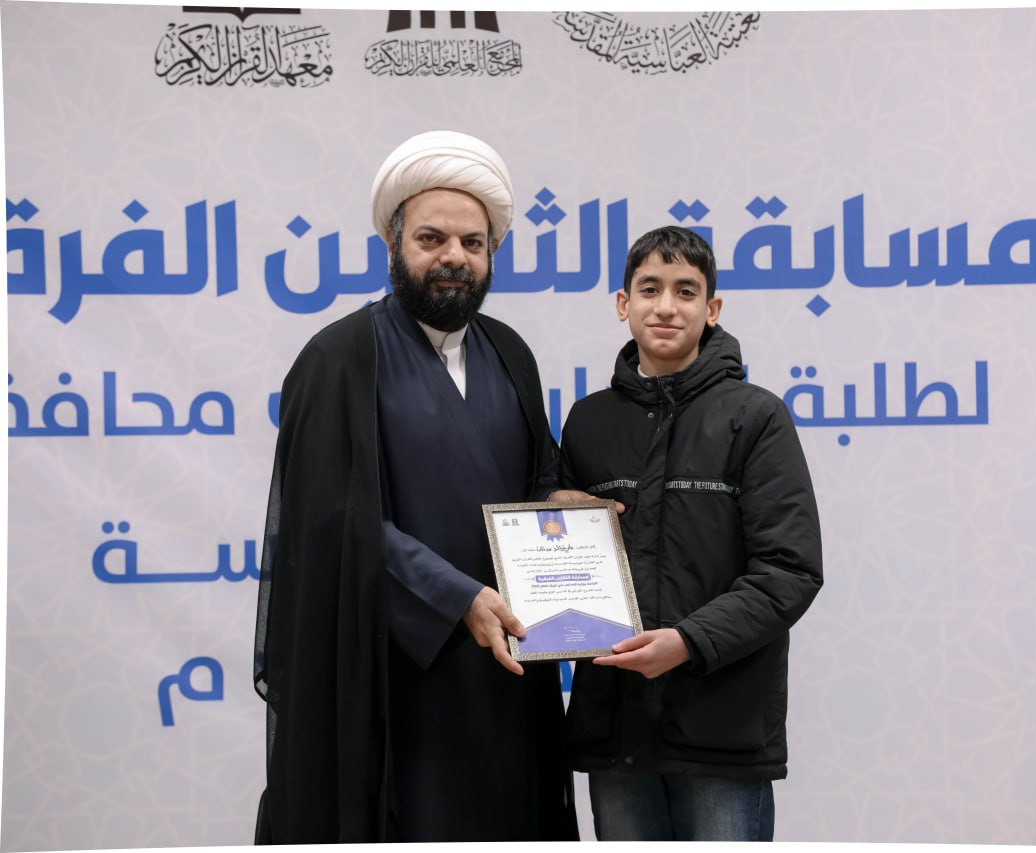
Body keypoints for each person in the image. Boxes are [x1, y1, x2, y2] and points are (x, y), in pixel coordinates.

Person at [252, 130, 579, 843]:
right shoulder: (339, 358)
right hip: (388, 679)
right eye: (432, 238)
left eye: (473, 242)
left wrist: (568, 514)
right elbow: (329, 520)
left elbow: (537, 479)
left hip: (505, 673)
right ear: (393, 243)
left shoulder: (511, 353)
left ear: (493, 251)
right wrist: (454, 596)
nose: (453, 257)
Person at [557, 226, 824, 841]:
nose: (666, 306)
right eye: (649, 288)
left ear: (713, 308)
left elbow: (790, 571)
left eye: (686, 291)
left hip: (720, 730)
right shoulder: (588, 421)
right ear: (623, 303)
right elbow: (565, 553)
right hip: (616, 729)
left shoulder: (756, 416)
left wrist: (687, 642)